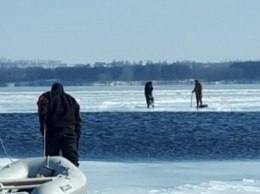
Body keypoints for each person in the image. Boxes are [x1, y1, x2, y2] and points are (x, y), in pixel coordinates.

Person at [37, 83, 82, 167]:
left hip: (52, 133)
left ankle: (51, 174)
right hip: (69, 134)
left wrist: (43, 129)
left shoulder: (47, 96)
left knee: (51, 160)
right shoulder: (71, 100)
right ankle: (73, 175)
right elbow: (78, 121)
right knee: (72, 160)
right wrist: (77, 136)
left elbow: (42, 111)